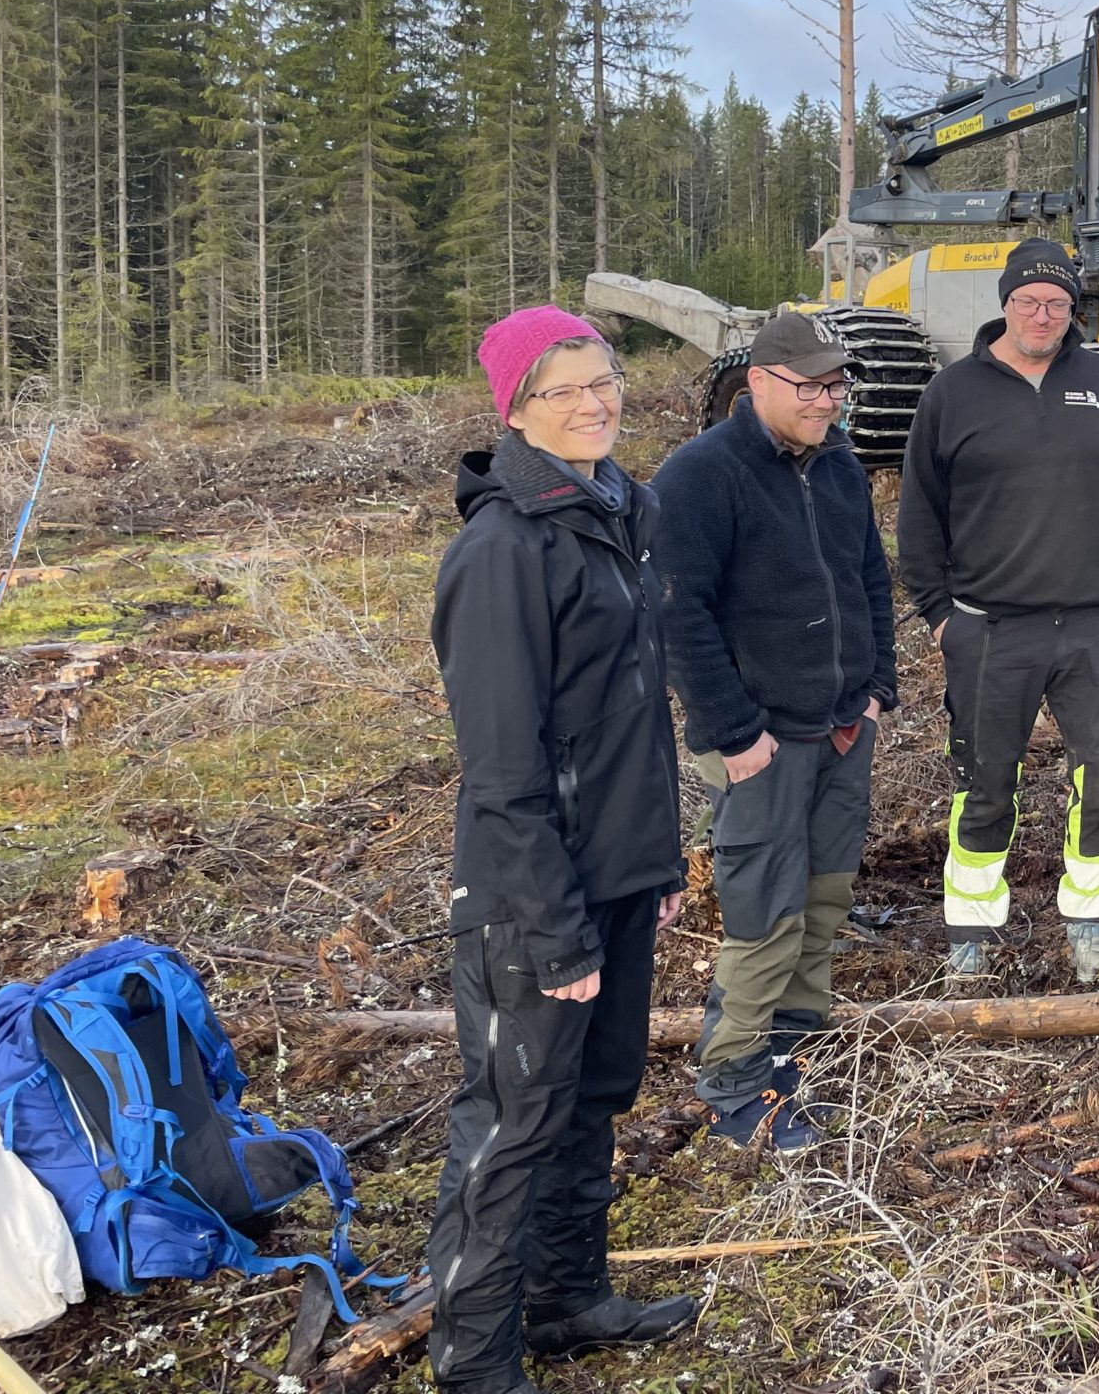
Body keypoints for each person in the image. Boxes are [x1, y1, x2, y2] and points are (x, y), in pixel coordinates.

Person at [426, 308, 693, 1394]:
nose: (596, 402)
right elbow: (501, 769)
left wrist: (655, 865)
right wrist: (552, 923)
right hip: (530, 898)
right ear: (516, 410)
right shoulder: (500, 548)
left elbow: (631, 717)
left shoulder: (619, 511)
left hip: (616, 877)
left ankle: (565, 1300)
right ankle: (474, 1360)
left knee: (596, 1096)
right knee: (513, 1122)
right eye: (565, 389)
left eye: (605, 379)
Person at [896, 238, 1099, 986]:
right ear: (1006, 304)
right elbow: (918, 514)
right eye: (1028, 301)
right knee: (984, 781)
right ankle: (972, 936)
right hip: (989, 626)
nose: (1042, 314)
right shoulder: (952, 393)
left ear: (1072, 309)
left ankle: (1091, 929)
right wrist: (939, 615)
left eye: (1056, 302)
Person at [652, 311, 896, 1152]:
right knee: (764, 914)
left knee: (825, 896)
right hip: (758, 742)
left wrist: (875, 691)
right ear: (757, 383)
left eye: (837, 386)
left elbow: (869, 578)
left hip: (840, 727)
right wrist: (732, 731)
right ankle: (733, 1081)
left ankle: (793, 1046)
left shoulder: (838, 469)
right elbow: (678, 617)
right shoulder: (699, 476)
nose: (828, 402)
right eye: (811, 387)